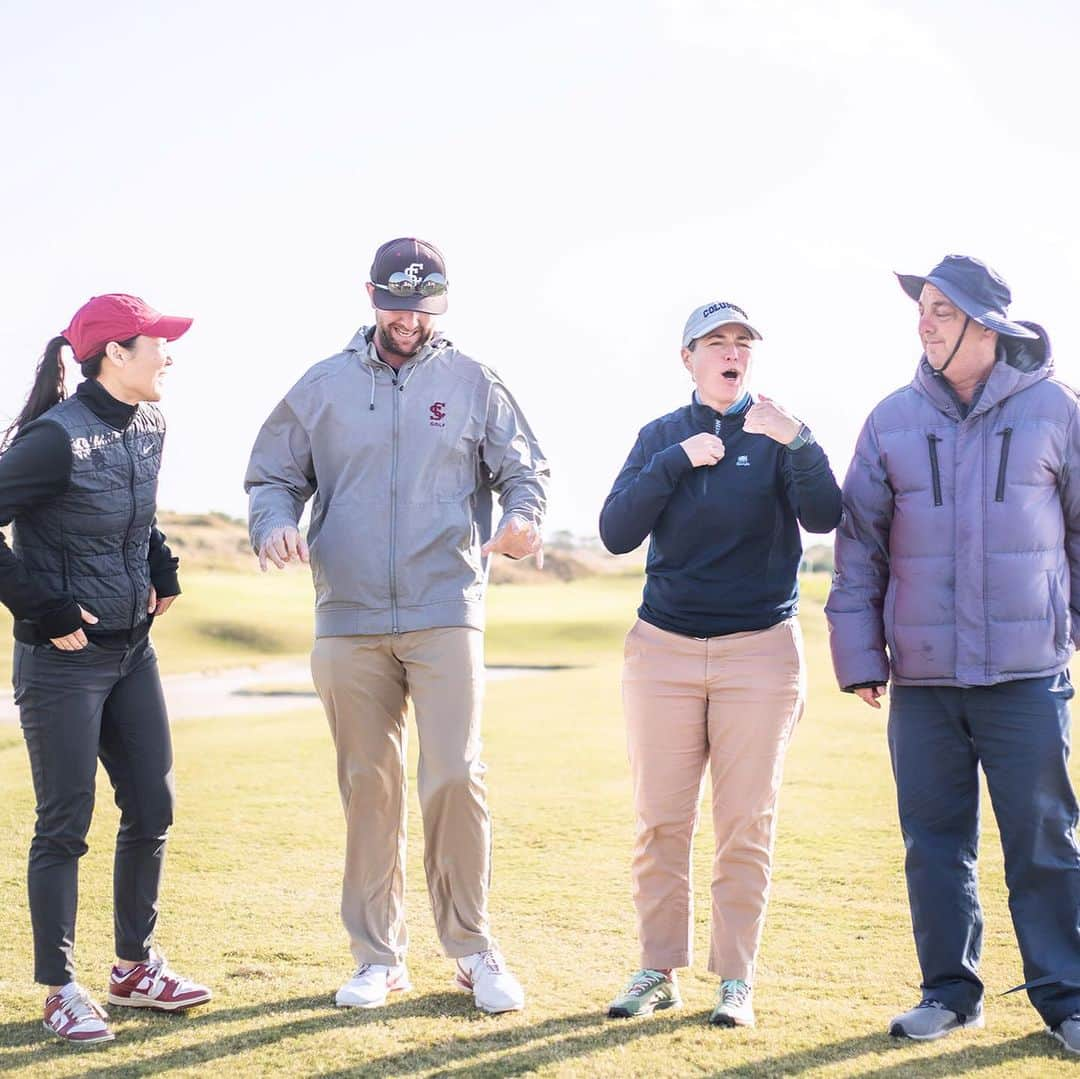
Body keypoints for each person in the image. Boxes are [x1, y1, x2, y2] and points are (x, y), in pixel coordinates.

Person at [245, 237, 548, 1014]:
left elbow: (524, 473)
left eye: (423, 308)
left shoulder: (475, 381)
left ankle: (474, 950)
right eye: (396, 304)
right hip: (346, 617)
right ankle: (379, 957)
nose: (408, 320)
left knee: (454, 774)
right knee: (369, 786)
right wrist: (273, 523)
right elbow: (273, 477)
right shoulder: (321, 385)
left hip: (446, 605)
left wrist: (521, 520)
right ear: (370, 294)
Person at [825, 254, 1080, 1052]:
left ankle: (1069, 999)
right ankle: (949, 993)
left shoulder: (1057, 411)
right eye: (923, 309)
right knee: (933, 843)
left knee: (1044, 841)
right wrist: (861, 654)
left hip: (1026, 676)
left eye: (941, 309)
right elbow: (859, 545)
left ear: (987, 325)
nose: (924, 321)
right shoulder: (890, 419)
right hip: (926, 682)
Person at [599, 300, 842, 1026]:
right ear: (688, 358)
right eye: (716, 342)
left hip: (759, 654)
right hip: (664, 651)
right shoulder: (661, 436)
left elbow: (826, 513)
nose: (731, 352)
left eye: (742, 342)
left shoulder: (778, 433)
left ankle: (735, 979)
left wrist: (797, 440)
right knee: (660, 820)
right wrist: (676, 462)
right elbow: (616, 531)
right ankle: (656, 968)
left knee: (744, 822)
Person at [0, 294, 211, 1046]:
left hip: (132, 651)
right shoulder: (53, 439)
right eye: (157, 342)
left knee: (152, 805)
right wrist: (42, 608)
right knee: (64, 824)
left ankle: (133, 966)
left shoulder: (149, 422)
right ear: (115, 354)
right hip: (64, 663)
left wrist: (161, 564)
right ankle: (59, 988)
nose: (169, 355)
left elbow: (136, 512)